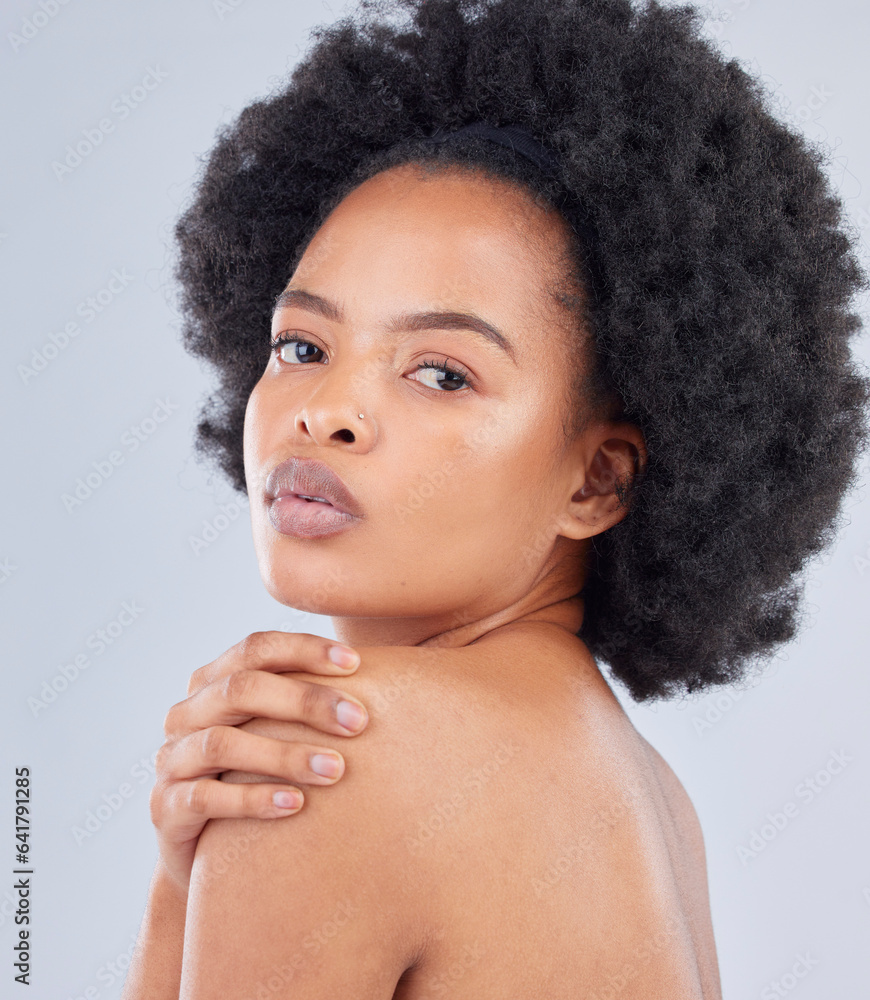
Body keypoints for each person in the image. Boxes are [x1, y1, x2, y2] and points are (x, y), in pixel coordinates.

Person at [121, 0, 869, 996]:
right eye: (301, 345)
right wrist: (184, 877)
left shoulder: (330, 757)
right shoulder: (650, 799)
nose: (326, 410)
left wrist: (195, 882)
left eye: (441, 373)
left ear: (597, 478)